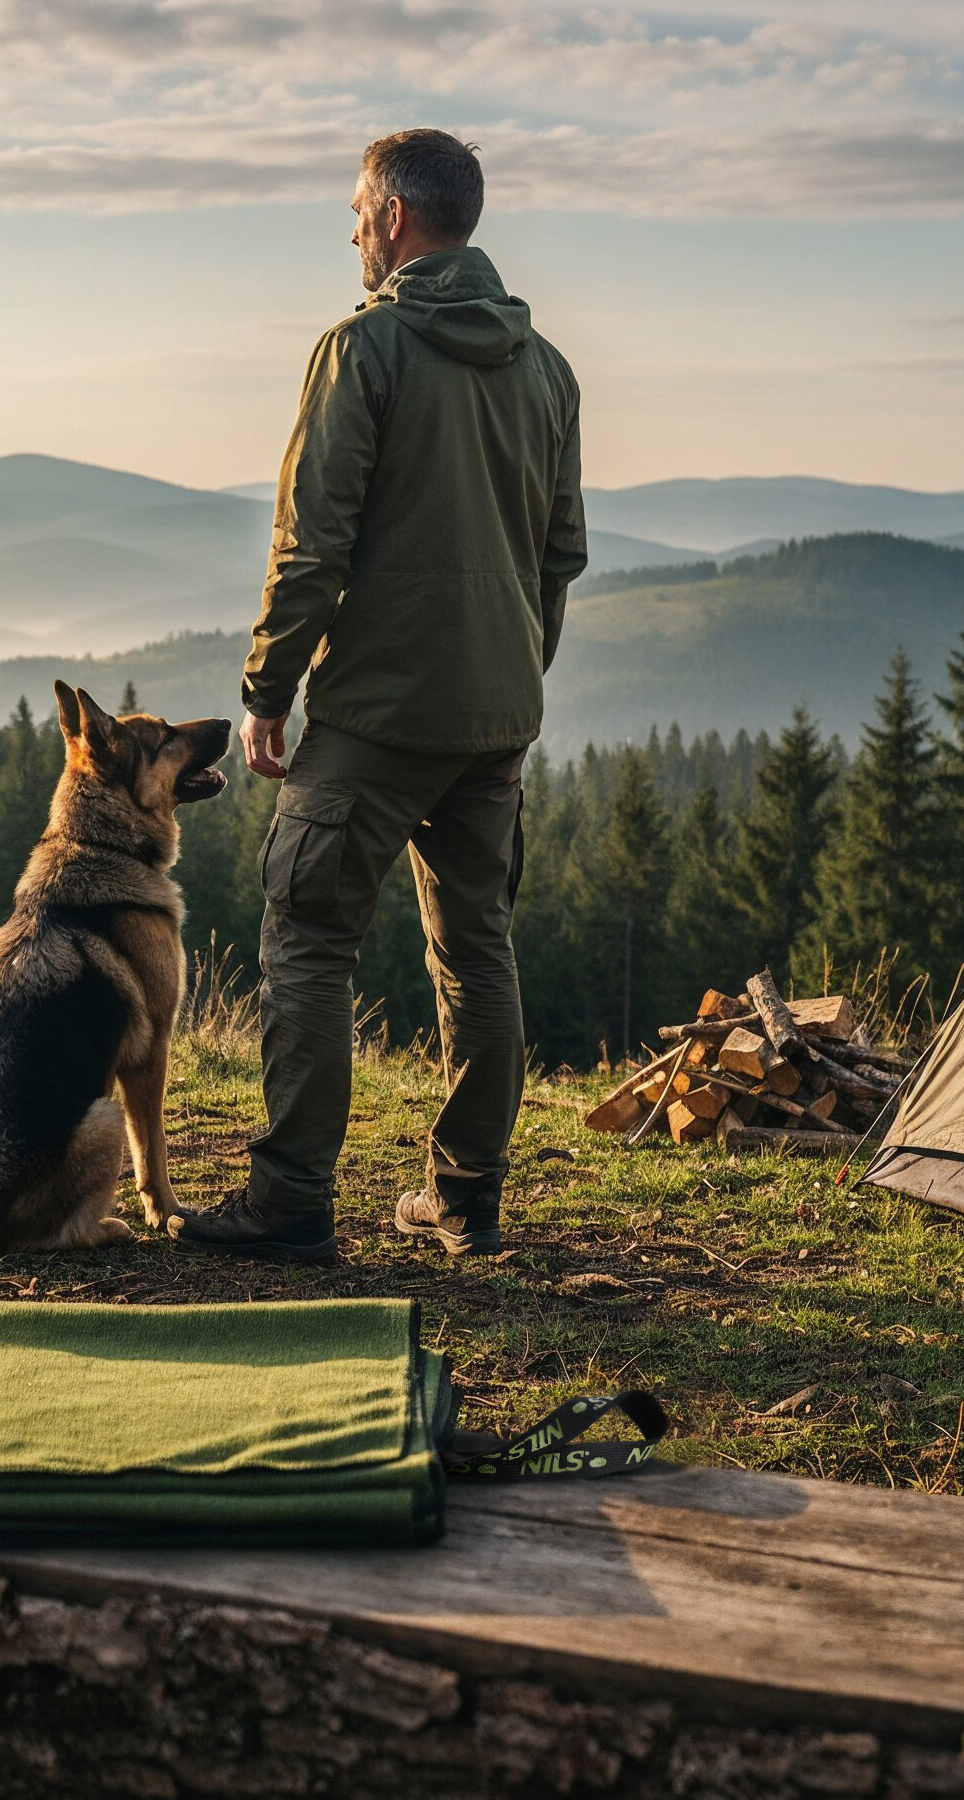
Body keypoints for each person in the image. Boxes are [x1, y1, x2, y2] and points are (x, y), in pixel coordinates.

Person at [170, 129, 586, 1264]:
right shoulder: (547, 369)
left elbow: (312, 542)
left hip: (376, 714)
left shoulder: (366, 350)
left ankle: (291, 1201)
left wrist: (267, 687)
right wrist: (510, 672)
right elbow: (560, 557)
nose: (350, 228)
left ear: (397, 215)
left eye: (357, 208)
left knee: (308, 936)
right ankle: (466, 1201)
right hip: (495, 716)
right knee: (479, 949)